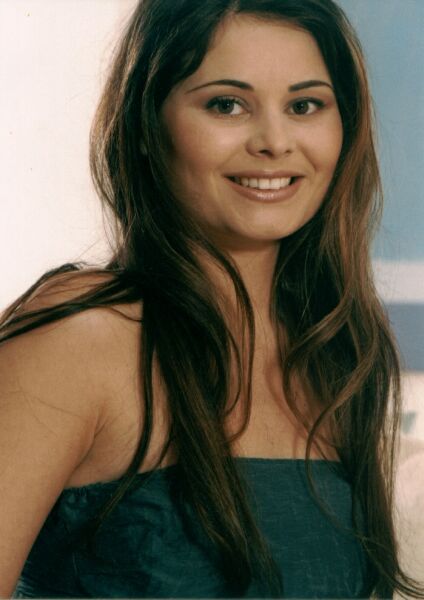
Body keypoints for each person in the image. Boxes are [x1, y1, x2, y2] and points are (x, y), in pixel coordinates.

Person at [1, 0, 423, 597]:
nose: (275, 142)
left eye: (305, 105)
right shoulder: (80, 339)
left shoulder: (338, 357)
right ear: (147, 125)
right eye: (227, 104)